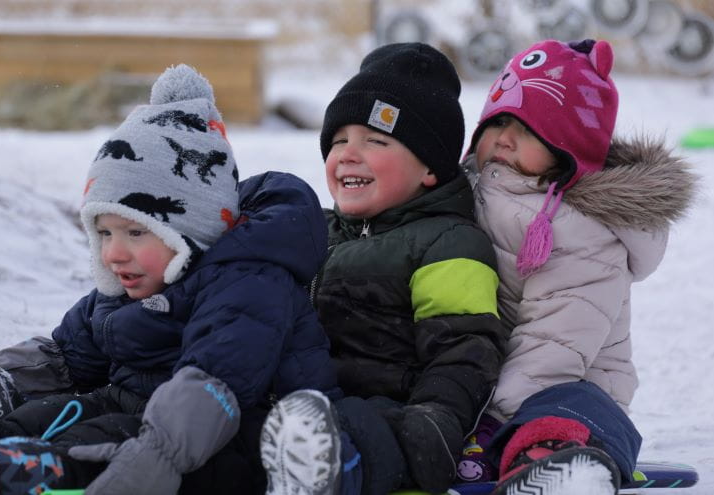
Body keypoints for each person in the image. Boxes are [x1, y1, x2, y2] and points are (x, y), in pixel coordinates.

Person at [0, 64, 340, 495]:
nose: (114, 252)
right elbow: (65, 354)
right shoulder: (130, 286)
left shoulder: (247, 282)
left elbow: (213, 386)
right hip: (134, 407)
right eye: (104, 231)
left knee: (84, 444)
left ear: (195, 230)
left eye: (137, 231)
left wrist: (154, 458)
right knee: (39, 418)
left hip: (221, 442)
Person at [259, 43, 508, 495]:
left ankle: (328, 471)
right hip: (298, 405)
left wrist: (435, 422)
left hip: (391, 416)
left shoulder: (449, 243)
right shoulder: (313, 230)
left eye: (375, 141)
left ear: (429, 169)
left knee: (355, 426)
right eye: (338, 141)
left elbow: (463, 350)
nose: (349, 155)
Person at [456, 39, 698, 495]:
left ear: (570, 149)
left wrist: (490, 423)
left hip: (562, 384)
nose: (505, 138)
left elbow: (554, 346)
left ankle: (553, 467)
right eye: (498, 121)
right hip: (481, 383)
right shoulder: (469, 194)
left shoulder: (581, 232)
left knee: (566, 413)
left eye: (529, 129)